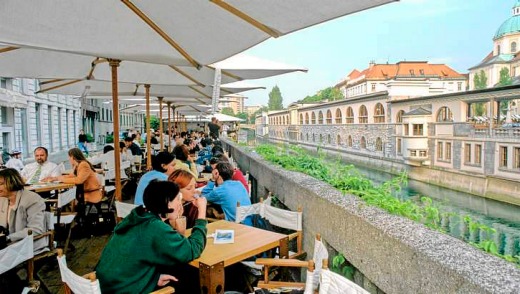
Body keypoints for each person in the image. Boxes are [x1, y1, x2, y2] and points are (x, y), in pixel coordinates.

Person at [96, 180, 207, 293]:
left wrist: (153, 279)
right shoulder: (155, 227)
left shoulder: (137, 217)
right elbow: (193, 249)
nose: (180, 203)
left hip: (110, 285)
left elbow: (131, 260)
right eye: (178, 198)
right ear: (168, 202)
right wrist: (202, 213)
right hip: (126, 290)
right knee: (191, 279)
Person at [0, 169, 48, 292]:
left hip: (31, 244)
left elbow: (36, 229)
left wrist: (8, 238)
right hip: (10, 244)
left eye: (0, 184)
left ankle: (19, 288)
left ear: (12, 182)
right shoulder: (3, 199)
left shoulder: (32, 199)